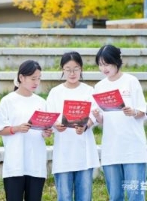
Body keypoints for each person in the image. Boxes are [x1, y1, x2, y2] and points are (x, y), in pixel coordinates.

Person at [92, 45, 146, 201]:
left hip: (133, 149)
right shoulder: (99, 87)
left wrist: (133, 111)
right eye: (100, 64)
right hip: (112, 149)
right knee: (115, 195)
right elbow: (102, 121)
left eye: (107, 63)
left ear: (117, 61)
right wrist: (97, 115)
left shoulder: (131, 81)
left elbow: (142, 110)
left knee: (135, 195)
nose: (104, 68)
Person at [0, 60, 52, 201]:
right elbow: (0, 129)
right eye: (33, 78)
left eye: (39, 78)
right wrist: (17, 128)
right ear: (21, 78)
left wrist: (46, 132)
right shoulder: (8, 101)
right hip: (15, 163)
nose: (36, 82)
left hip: (35, 162)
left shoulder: (41, 102)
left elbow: (45, 129)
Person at [46, 52, 99, 201]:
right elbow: (50, 117)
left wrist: (86, 125)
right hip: (63, 153)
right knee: (65, 196)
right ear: (62, 69)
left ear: (81, 69)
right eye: (68, 69)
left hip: (84, 152)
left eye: (76, 68)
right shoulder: (55, 92)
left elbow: (94, 115)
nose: (72, 73)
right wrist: (56, 125)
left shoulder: (89, 91)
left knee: (84, 196)